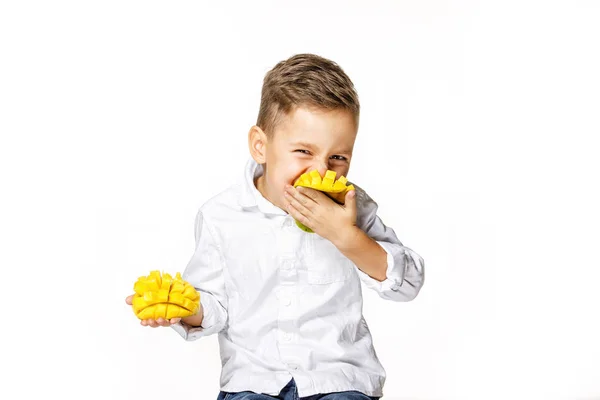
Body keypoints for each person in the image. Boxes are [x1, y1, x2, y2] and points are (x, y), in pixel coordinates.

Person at [125, 53, 425, 400]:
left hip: (340, 381)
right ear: (261, 146)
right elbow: (215, 307)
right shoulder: (220, 215)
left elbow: (410, 282)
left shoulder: (353, 207)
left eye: (338, 157)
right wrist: (183, 308)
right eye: (303, 151)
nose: (322, 170)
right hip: (253, 384)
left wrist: (347, 237)